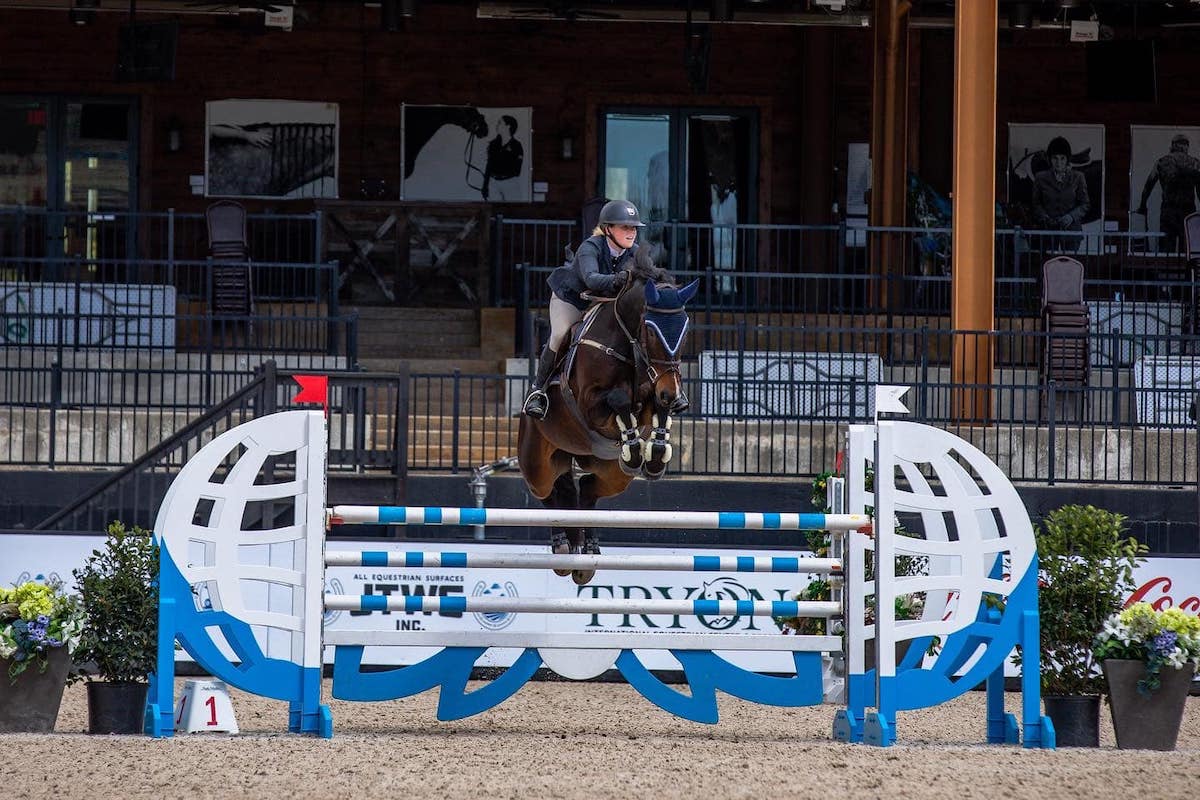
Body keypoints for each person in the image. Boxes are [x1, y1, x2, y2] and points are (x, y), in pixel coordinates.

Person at [522, 199, 645, 419]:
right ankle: (538, 390)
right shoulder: (591, 246)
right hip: (573, 299)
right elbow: (592, 279)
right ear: (608, 229)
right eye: (625, 227)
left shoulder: (635, 252)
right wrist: (620, 279)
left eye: (634, 227)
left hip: (603, 303)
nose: (632, 232)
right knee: (560, 334)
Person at [1135, 133, 1200, 253]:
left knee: (1166, 250)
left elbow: (1148, 185)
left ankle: (1164, 271)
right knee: (1187, 248)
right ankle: (1186, 271)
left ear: (1173, 145)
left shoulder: (1161, 162)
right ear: (1186, 146)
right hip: (1188, 211)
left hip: (1168, 211)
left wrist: (1142, 205)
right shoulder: (1196, 164)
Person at [1031, 135, 1090, 253]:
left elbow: (1085, 204)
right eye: (1055, 158)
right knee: (1047, 265)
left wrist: (1071, 217)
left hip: (1071, 231)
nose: (1059, 163)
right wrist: (1045, 217)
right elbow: (1035, 203)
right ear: (1049, 159)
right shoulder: (1040, 177)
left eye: (1062, 158)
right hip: (1047, 231)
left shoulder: (1078, 177)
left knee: (1069, 266)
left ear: (1067, 159)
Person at [481, 114, 524, 201]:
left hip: (510, 183)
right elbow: (489, 166)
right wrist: (485, 186)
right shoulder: (493, 144)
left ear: (508, 126)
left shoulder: (516, 145)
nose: (497, 125)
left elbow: (517, 170)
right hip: (493, 183)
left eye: (500, 123)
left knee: (513, 210)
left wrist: (499, 164)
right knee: (493, 210)